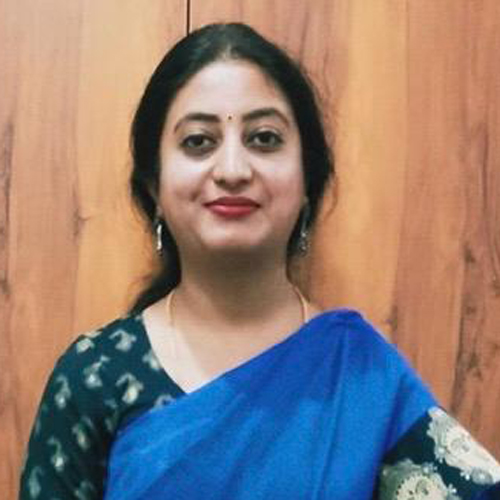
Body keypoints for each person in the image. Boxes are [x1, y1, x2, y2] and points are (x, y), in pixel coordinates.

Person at [19, 23, 500, 500]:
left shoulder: (363, 377)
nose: (232, 170)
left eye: (264, 138)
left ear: (307, 181)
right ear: (154, 187)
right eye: (198, 141)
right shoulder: (95, 375)